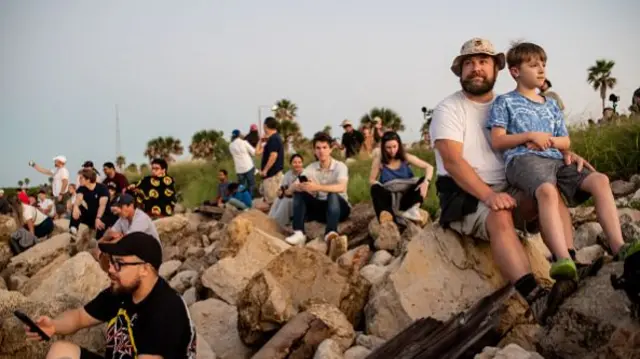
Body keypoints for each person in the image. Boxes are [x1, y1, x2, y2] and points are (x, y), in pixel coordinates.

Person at [429, 38, 595, 324]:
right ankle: (534, 296)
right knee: (500, 215)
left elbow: (538, 137)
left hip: (510, 181)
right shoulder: (449, 109)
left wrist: (566, 152)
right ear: (460, 72)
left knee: (549, 192)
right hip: (465, 191)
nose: (475, 68)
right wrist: (489, 196)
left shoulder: (510, 103)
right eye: (469, 63)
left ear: (497, 68)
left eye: (483, 62)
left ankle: (568, 265)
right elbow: (453, 162)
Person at [487, 42, 639, 281]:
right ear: (515, 71)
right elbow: (497, 140)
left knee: (600, 180)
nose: (541, 70)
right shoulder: (504, 102)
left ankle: (619, 246)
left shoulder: (551, 105)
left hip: (556, 159)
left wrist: (551, 142)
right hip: (524, 160)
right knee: (547, 192)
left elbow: (565, 141)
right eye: (533, 65)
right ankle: (562, 258)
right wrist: (529, 136)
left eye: (543, 65)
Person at [25, 232, 197, 359]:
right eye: (111, 261)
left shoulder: (167, 308)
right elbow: (79, 317)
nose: (110, 269)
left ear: (145, 269)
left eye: (119, 264)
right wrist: (53, 326)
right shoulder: (121, 291)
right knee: (60, 351)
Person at [285, 132, 351, 260]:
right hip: (321, 210)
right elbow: (291, 189)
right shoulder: (311, 168)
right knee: (299, 192)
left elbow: (342, 187)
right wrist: (299, 186)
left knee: (332, 193)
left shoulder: (340, 166)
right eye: (318, 148)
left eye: (325, 147)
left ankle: (331, 233)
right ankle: (299, 233)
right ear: (314, 150)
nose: (321, 151)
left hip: (339, 208)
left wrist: (317, 187)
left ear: (331, 149)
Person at [369, 131, 434, 225]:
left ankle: (412, 210)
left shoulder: (406, 157)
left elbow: (429, 167)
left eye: (394, 146)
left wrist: (426, 182)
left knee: (423, 181)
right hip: (389, 198)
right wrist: (378, 185)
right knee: (374, 188)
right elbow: (371, 180)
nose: (392, 150)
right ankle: (387, 216)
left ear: (399, 145)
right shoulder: (379, 160)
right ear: (383, 147)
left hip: (407, 197)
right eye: (388, 147)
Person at [71, 169, 110, 241]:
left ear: (88, 180)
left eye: (81, 178)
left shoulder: (102, 188)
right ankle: (73, 229)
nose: (79, 180)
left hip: (102, 215)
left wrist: (98, 218)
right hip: (91, 215)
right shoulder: (82, 188)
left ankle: (98, 239)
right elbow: (79, 198)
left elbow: (102, 205)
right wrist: (76, 206)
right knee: (78, 207)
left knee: (101, 223)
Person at [269, 154, 305, 226]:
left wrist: (284, 192)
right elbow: (283, 187)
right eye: (295, 162)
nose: (297, 164)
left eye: (299, 162)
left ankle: (278, 223)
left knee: (286, 200)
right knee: (278, 199)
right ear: (291, 164)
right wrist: (280, 192)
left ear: (302, 163)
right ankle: (270, 219)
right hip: (290, 195)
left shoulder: (305, 174)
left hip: (300, 199)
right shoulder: (288, 174)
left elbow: (293, 190)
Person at [256, 117, 285, 207]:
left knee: (272, 202)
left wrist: (265, 170)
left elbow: (273, 156)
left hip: (272, 176)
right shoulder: (271, 139)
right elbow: (257, 152)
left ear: (265, 126)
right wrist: (260, 140)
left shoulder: (274, 139)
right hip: (269, 176)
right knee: (269, 200)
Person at [229, 129, 257, 195]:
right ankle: (250, 199)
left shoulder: (230, 146)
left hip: (239, 169)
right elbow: (253, 152)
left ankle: (242, 199)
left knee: (241, 186)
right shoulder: (244, 142)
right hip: (248, 166)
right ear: (239, 135)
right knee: (251, 184)